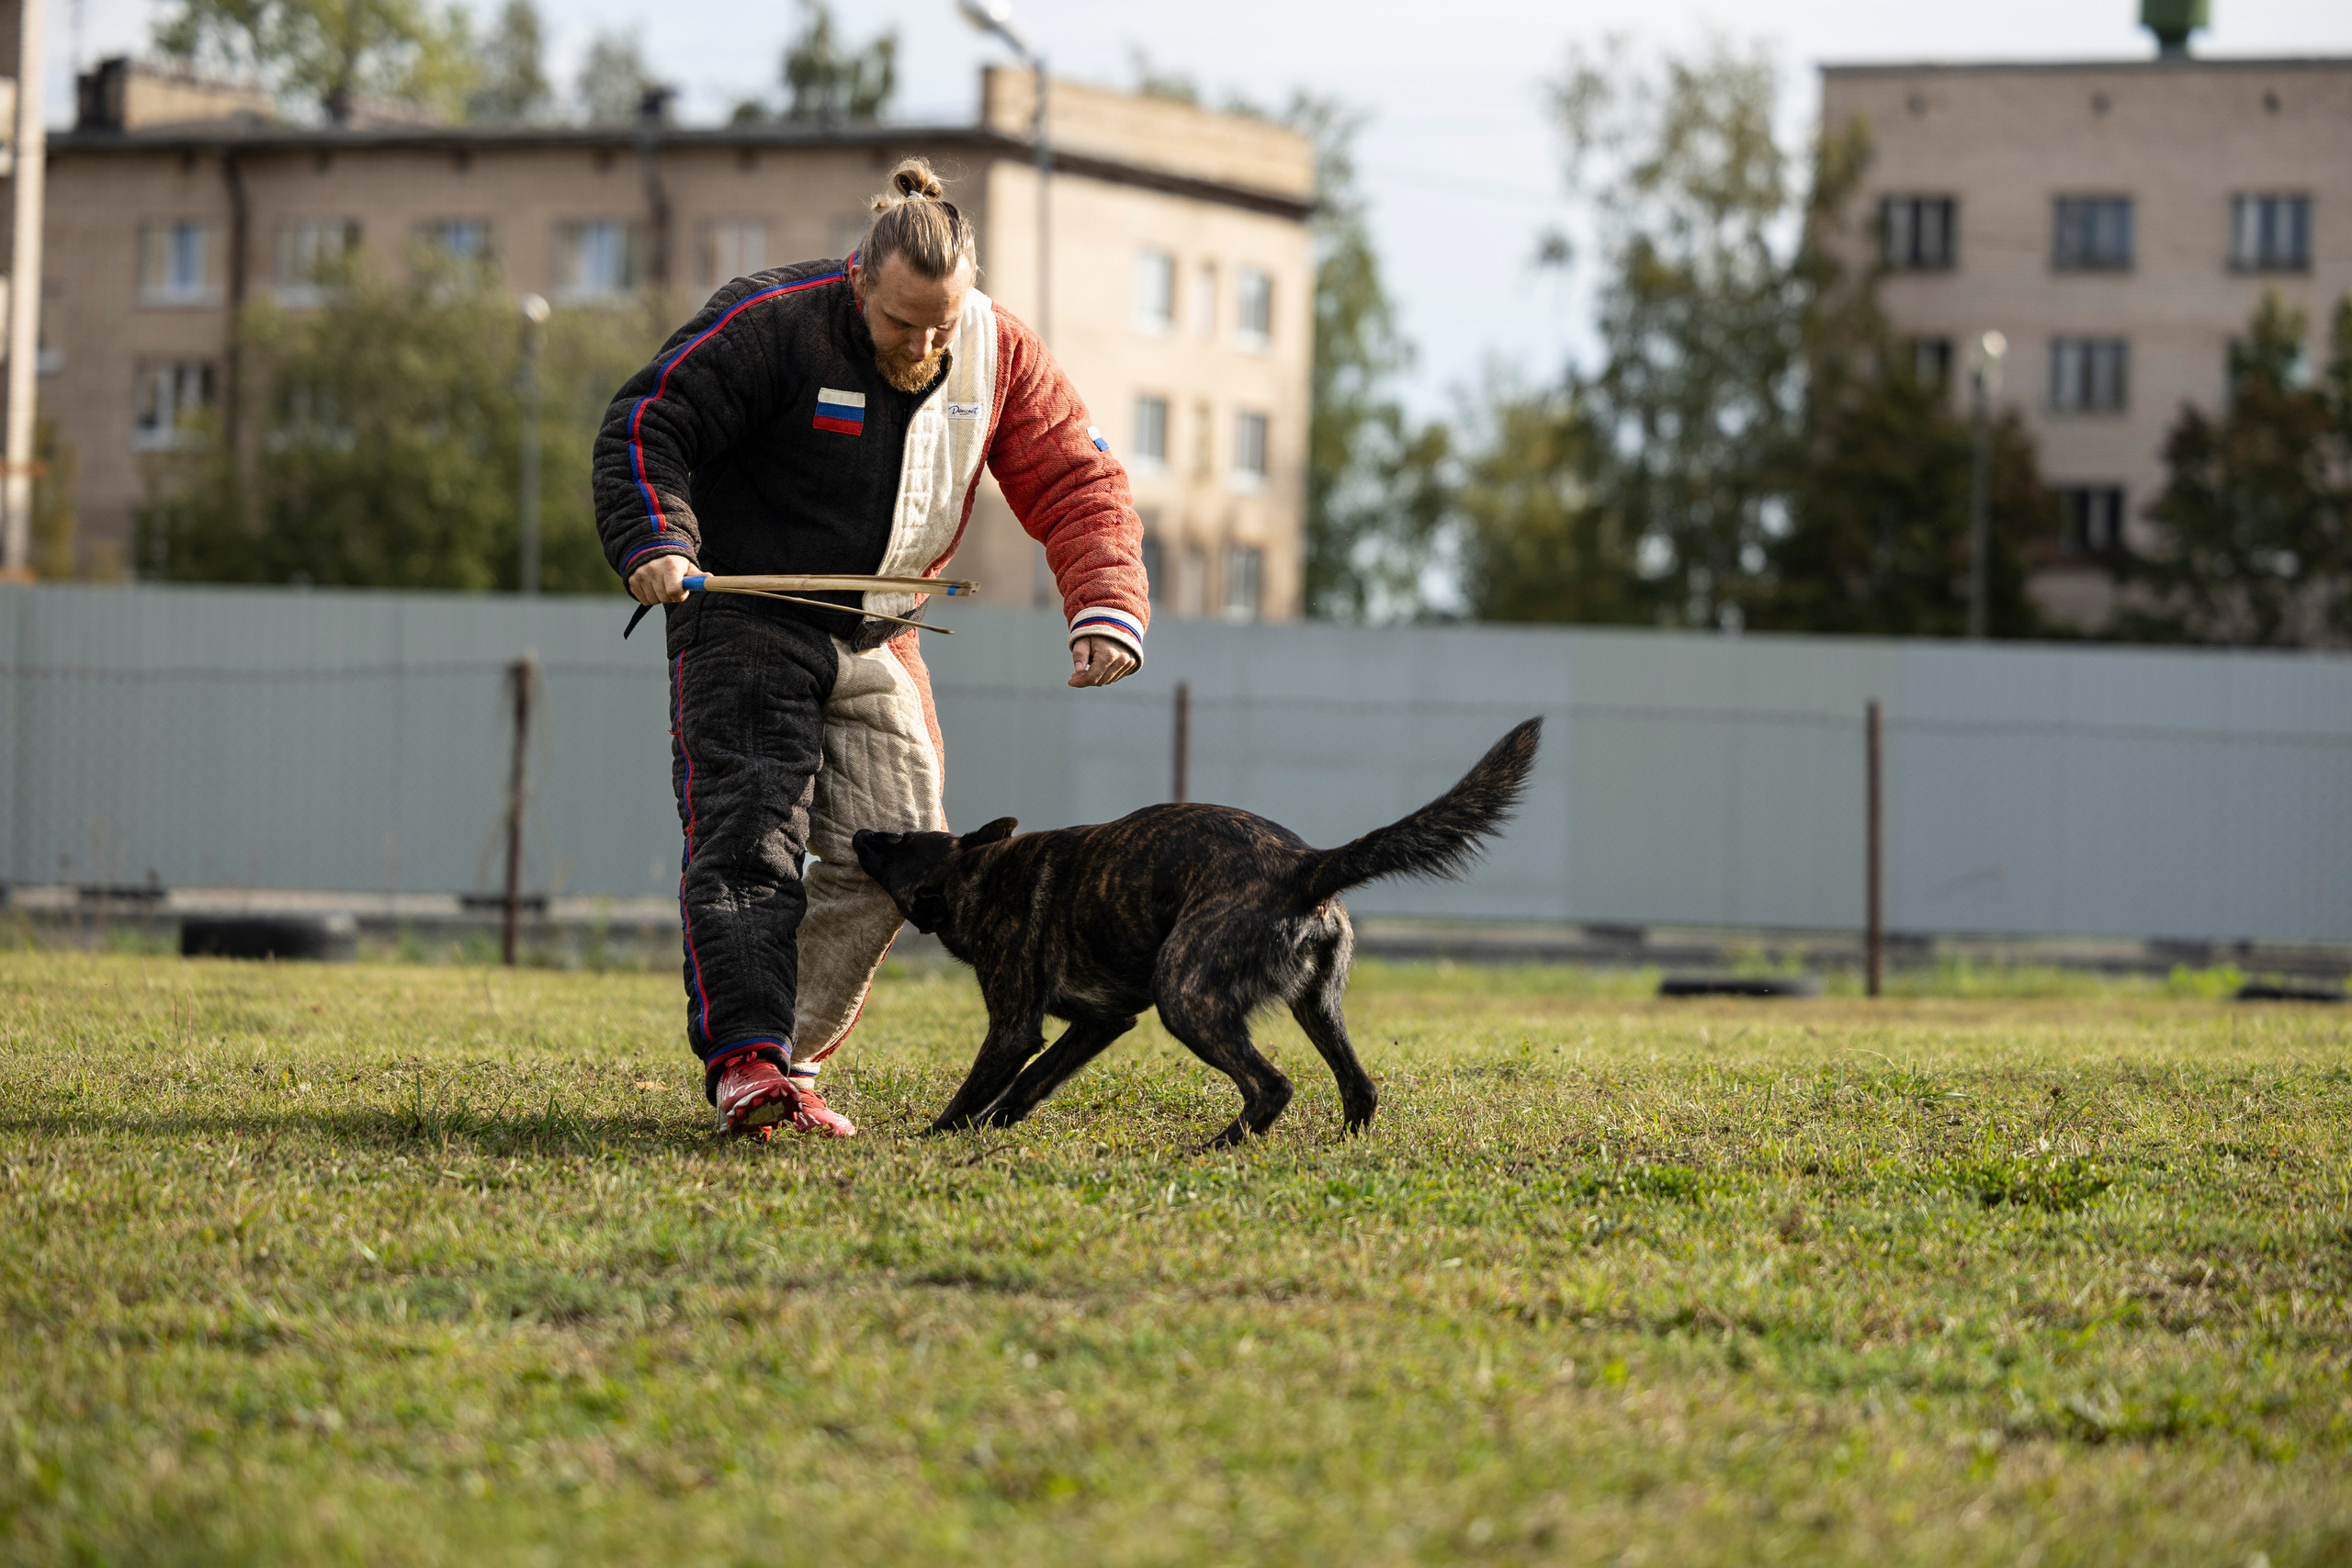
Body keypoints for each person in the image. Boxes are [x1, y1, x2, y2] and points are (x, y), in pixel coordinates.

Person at [594, 157, 1148, 1138]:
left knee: (904, 857)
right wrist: (655, 540)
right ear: (860, 282)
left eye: (945, 322)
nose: (927, 344)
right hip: (745, 616)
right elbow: (649, 424)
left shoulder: (997, 350)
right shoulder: (772, 321)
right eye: (903, 325)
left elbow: (1076, 481)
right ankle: (747, 1065)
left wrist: (1104, 604)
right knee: (751, 838)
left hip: (885, 633)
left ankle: (785, 1064)